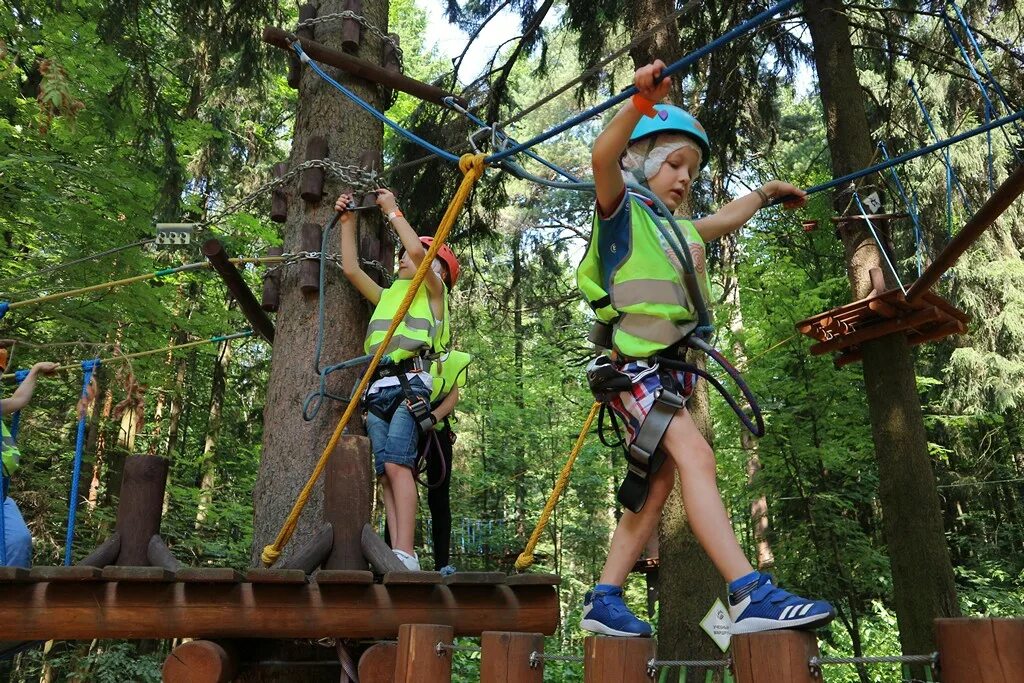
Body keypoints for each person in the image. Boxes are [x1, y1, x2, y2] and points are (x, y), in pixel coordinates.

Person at [576, 60, 836, 637]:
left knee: (660, 483)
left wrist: (766, 193)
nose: (684, 177)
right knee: (699, 458)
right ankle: (748, 592)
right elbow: (601, 157)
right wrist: (639, 105)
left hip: (667, 376)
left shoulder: (682, 230)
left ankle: (603, 596)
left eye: (691, 169)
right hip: (636, 370)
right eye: (673, 163)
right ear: (638, 164)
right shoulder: (622, 216)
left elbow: (723, 218)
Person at [335, 189, 453, 571]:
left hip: (409, 387)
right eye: (404, 252)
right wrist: (348, 223)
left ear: (440, 272)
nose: (406, 257)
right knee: (385, 470)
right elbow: (351, 269)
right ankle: (398, 552)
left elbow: (420, 258)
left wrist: (392, 211)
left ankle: (406, 551)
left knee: (400, 465)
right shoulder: (389, 295)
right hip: (377, 390)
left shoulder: (435, 295)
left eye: (418, 256)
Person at [1, 350, 59, 568]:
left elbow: (19, 399)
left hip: (1, 496)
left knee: (19, 540)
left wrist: (35, 370)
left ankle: (10, 597)